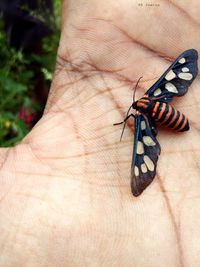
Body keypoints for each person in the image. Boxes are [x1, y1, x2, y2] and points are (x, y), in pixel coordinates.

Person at [0, 1, 200, 266]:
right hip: (175, 119)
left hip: (175, 122)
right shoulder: (155, 94)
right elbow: (183, 67)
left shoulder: (141, 121)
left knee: (141, 151)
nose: (137, 104)